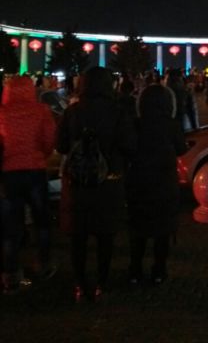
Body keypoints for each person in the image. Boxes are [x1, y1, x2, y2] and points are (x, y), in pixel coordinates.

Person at [57, 67, 136, 302]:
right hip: (108, 182)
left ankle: (80, 284)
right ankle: (102, 282)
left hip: (78, 182)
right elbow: (129, 145)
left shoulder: (72, 112)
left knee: (78, 238)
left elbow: (60, 145)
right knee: (105, 236)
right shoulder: (117, 112)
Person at [0, 76, 57, 294]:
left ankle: (11, 274)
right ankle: (43, 264)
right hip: (35, 170)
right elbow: (49, 139)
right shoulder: (41, 111)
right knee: (41, 221)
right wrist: (41, 155)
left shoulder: (2, 113)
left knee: (11, 226)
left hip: (10, 173)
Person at [126, 84, 187, 285]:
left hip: (139, 180)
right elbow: (181, 149)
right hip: (164, 181)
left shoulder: (136, 124)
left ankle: (135, 270)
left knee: (138, 228)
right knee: (163, 229)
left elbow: (128, 148)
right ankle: (159, 270)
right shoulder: (171, 125)